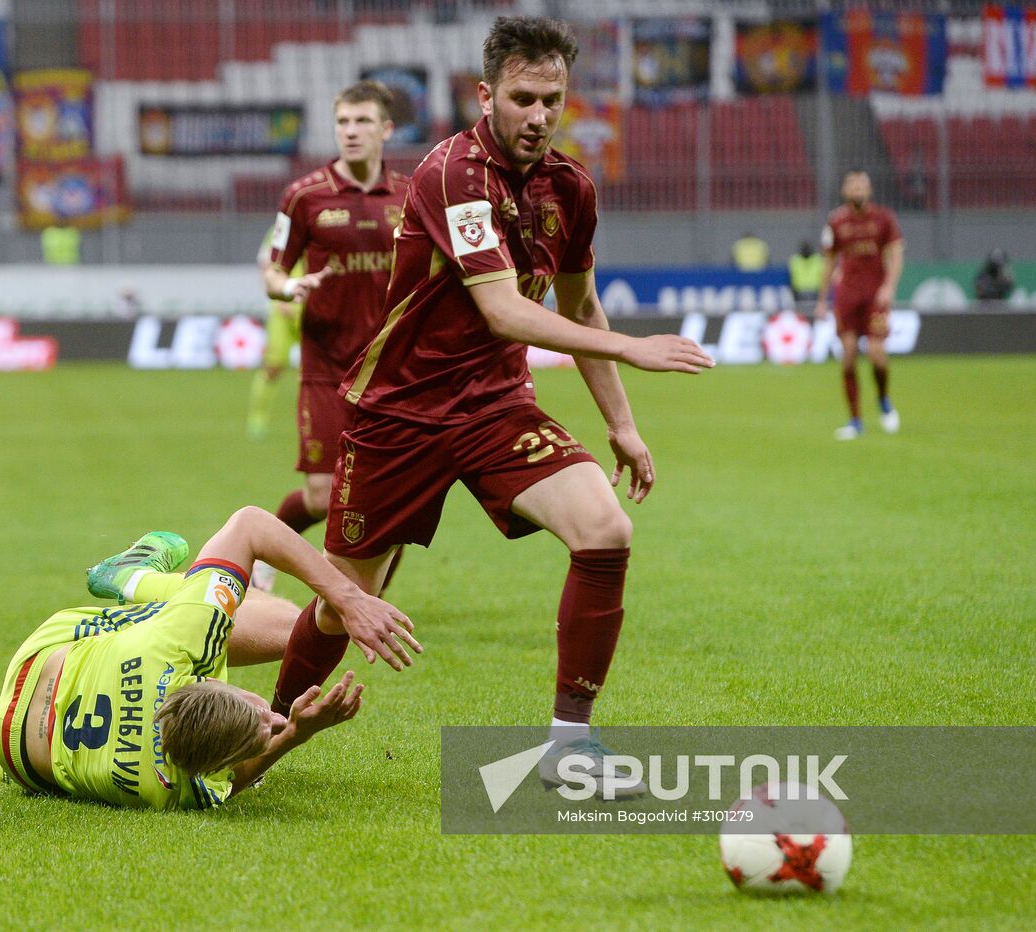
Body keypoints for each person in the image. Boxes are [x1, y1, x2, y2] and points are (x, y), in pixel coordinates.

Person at [270, 16, 713, 795]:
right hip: (400, 416)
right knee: (344, 606)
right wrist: (637, 349)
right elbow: (505, 312)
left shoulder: (571, 188)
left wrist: (623, 424)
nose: (539, 116)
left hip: (496, 410)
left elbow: (580, 309)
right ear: (486, 95)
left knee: (606, 528)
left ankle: (569, 746)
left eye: (553, 100)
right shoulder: (451, 174)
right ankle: (266, 730)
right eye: (523, 98)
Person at [0, 515, 410, 810]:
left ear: (209, 678)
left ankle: (129, 578)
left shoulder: (179, 646)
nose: (270, 714)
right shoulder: (168, 789)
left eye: (259, 717)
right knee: (288, 624)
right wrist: (295, 733)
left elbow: (250, 524)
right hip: (14, 750)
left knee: (241, 611)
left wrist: (347, 598)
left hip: (41, 656)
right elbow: (240, 778)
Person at [260, 81, 411, 579]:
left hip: (392, 373)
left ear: (386, 129)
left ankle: (370, 601)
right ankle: (262, 557)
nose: (351, 131)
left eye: (363, 121)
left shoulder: (412, 196)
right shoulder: (304, 196)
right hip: (327, 367)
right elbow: (273, 270)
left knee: (390, 494)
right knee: (322, 495)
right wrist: (288, 289)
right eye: (343, 122)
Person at [814, 168, 904, 440]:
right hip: (847, 296)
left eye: (861, 183)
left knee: (876, 354)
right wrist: (821, 300)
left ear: (869, 189)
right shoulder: (836, 221)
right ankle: (855, 420)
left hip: (875, 296)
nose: (857, 188)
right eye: (852, 183)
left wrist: (888, 287)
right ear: (844, 190)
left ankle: (884, 399)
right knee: (849, 356)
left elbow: (896, 255)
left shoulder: (884, 218)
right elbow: (829, 262)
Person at [247, 224, 304, 440]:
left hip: (312, 306)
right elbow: (265, 265)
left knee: (318, 369)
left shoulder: (324, 220)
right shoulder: (278, 230)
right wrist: (280, 293)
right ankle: (257, 418)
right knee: (274, 365)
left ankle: (313, 419)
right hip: (282, 306)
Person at [788, 240, 823, 306]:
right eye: (804, 249)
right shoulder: (795, 260)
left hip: (815, 293)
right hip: (799, 294)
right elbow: (790, 279)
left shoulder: (818, 259)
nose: (806, 251)